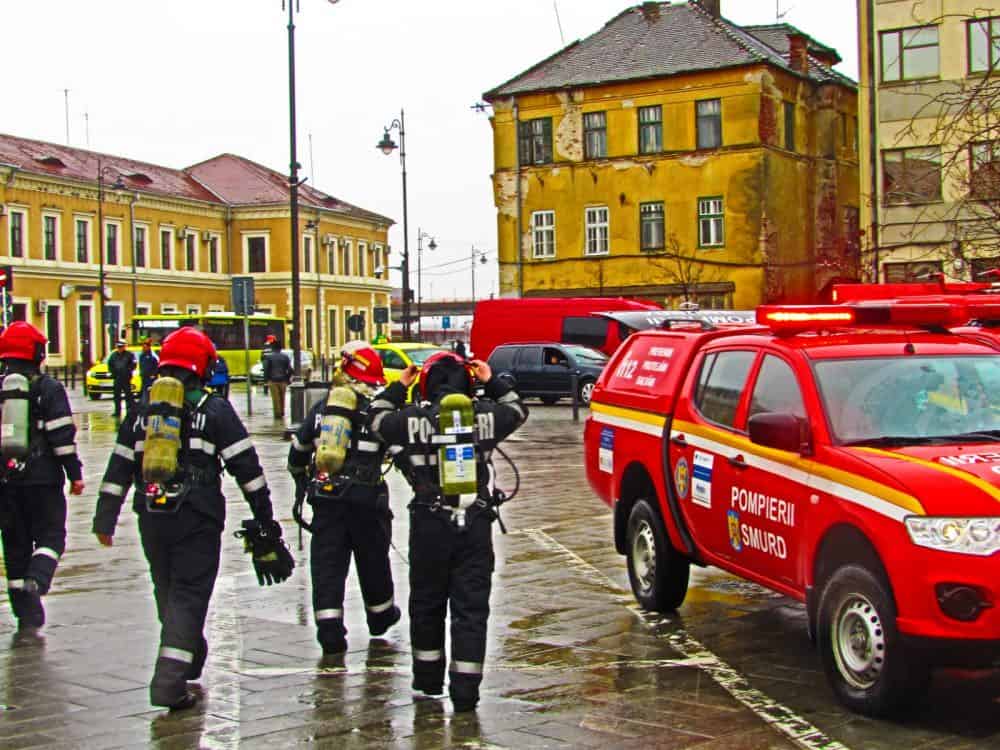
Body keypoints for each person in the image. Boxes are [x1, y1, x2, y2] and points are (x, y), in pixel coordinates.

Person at [93, 326, 293, 710]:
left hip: (151, 514)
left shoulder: (141, 410)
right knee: (189, 593)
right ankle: (169, 681)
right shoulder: (213, 409)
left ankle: (190, 653)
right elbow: (246, 467)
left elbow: (119, 465)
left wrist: (105, 519)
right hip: (197, 515)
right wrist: (264, 517)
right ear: (201, 365)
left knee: (167, 590)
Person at [368, 352, 527, 712]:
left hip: (428, 523)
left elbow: (375, 418)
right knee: (471, 608)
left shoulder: (408, 420)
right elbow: (517, 410)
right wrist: (491, 379)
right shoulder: (484, 418)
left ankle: (427, 682)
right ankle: (466, 692)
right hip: (474, 524)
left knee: (427, 603)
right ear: (468, 384)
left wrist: (399, 386)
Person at [287, 341, 400, 657]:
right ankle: (380, 616)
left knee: (327, 565)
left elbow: (297, 452)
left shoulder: (322, 409)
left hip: (326, 498)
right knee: (373, 559)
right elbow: (397, 451)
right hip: (367, 499)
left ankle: (330, 630)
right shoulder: (375, 411)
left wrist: (301, 481)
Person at [0, 322, 84, 633]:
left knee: (14, 545)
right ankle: (39, 578)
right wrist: (74, 473)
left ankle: (26, 615)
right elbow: (61, 435)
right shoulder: (48, 388)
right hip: (43, 480)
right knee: (51, 536)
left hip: (6, 483)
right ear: (37, 353)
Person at [261, 336, 292, 420]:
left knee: (275, 399)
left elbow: (266, 369)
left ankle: (277, 414)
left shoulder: (269, 357)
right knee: (282, 397)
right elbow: (290, 369)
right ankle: (282, 412)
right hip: (283, 380)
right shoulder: (285, 357)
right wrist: (287, 379)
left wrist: (266, 380)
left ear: (272, 348)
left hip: (273, 380)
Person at [108, 338, 137, 418]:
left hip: (126, 378)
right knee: (117, 396)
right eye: (119, 347)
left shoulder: (129, 355)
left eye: (121, 346)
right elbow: (110, 365)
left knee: (128, 396)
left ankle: (130, 411)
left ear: (124, 347)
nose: (120, 348)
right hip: (117, 378)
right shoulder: (113, 355)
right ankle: (117, 411)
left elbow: (133, 365)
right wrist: (113, 373)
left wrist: (127, 372)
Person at [139, 337, 159, 402]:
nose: (143, 348)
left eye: (145, 347)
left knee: (150, 393)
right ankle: (144, 406)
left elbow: (156, 366)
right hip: (144, 377)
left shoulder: (153, 356)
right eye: (143, 347)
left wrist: (153, 375)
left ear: (148, 347)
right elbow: (141, 366)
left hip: (151, 378)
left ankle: (150, 406)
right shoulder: (142, 355)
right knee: (144, 393)